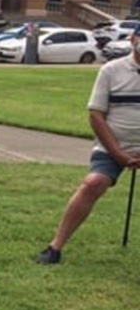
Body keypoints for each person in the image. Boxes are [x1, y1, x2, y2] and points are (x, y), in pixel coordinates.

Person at [37, 30, 140, 264]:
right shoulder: (111, 71)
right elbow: (96, 116)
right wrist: (119, 154)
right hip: (113, 146)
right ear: (133, 40)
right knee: (93, 184)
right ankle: (55, 247)